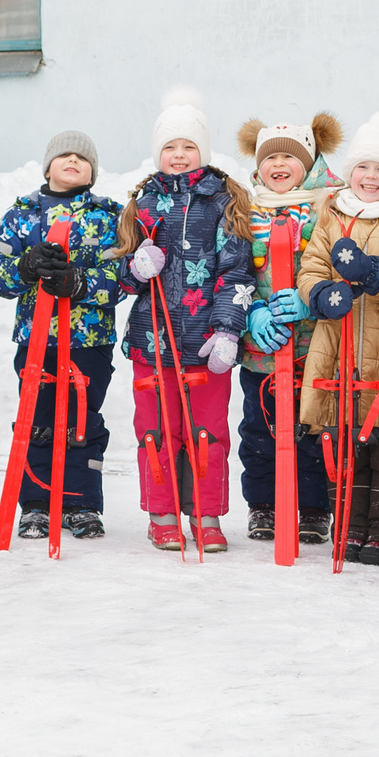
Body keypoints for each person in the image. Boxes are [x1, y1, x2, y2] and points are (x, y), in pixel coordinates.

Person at [114, 89, 251, 551]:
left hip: (206, 341)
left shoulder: (224, 200)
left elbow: (237, 271)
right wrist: (135, 268)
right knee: (156, 430)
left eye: (188, 146)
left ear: (203, 151)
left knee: (207, 432)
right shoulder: (142, 202)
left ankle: (206, 514)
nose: (178, 155)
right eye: (170, 146)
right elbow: (119, 277)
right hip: (151, 343)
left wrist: (229, 329)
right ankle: (163, 512)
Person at [297, 113, 379, 565]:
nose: (371, 177)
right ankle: (349, 526)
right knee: (345, 440)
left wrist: (375, 274)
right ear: (350, 171)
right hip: (340, 340)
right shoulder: (333, 212)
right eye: (363, 167)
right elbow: (312, 263)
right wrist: (318, 292)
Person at [0, 130, 127, 539]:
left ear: (92, 172)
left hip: (89, 339)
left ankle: (81, 501)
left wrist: (81, 282)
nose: (72, 162)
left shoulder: (109, 215)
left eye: (82, 158)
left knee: (82, 419)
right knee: (39, 419)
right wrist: (25, 268)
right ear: (47, 166)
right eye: (63, 156)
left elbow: (124, 276)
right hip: (36, 339)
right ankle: (37, 501)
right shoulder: (22, 212)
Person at [234, 113, 338, 543]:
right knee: (260, 430)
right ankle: (264, 505)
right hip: (262, 348)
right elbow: (231, 270)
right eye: (270, 157)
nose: (278, 164)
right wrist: (250, 313)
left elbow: (338, 263)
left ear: (309, 163)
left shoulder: (330, 205)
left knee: (314, 428)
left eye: (289, 157)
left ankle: (314, 509)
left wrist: (310, 300)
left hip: (316, 344)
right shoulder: (242, 207)